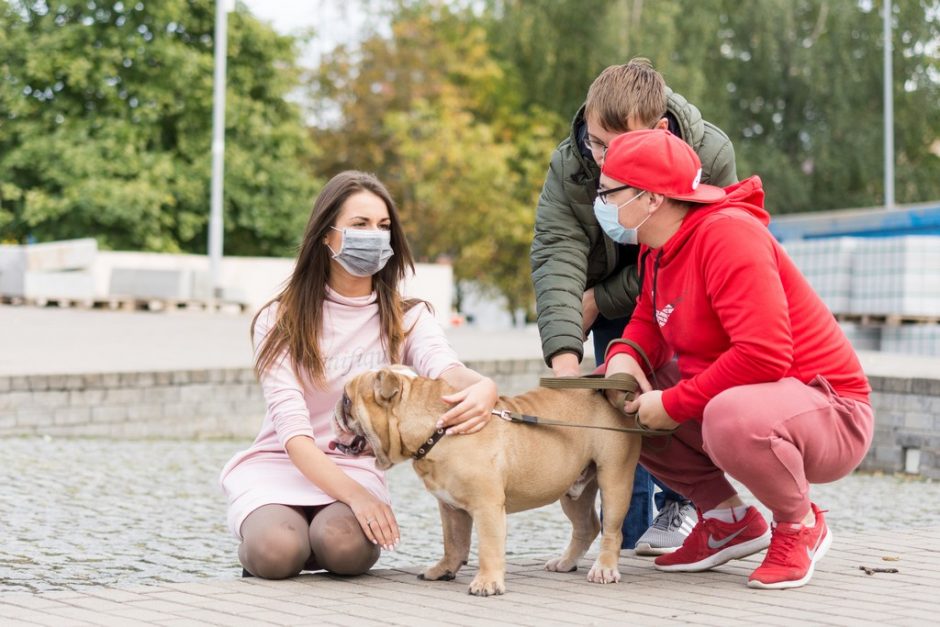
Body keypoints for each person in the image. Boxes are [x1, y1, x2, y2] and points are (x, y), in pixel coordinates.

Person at [599, 129, 873, 589]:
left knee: (729, 417)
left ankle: (800, 523)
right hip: (752, 399)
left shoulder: (727, 236)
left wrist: (672, 404)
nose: (600, 202)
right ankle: (727, 519)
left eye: (609, 192)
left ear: (650, 199)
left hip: (831, 412)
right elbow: (648, 320)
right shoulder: (657, 247)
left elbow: (764, 355)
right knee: (615, 397)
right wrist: (624, 360)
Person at [219, 171, 498, 580]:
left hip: (354, 465)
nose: (375, 236)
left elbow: (446, 368)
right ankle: (288, 538)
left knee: (345, 549)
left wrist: (485, 387)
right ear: (325, 236)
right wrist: (358, 500)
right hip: (281, 461)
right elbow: (294, 435)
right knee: (277, 552)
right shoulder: (280, 319)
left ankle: (311, 541)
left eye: (384, 227)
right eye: (360, 225)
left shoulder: (409, 317)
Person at [530, 57, 738, 554]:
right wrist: (565, 366)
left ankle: (687, 506)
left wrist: (601, 298)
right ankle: (623, 532)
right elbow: (557, 249)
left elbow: (700, 247)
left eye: (617, 147)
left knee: (679, 390)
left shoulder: (710, 152)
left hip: (681, 284)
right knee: (618, 400)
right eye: (595, 143)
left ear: (661, 130)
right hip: (614, 297)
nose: (603, 160)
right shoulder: (570, 164)